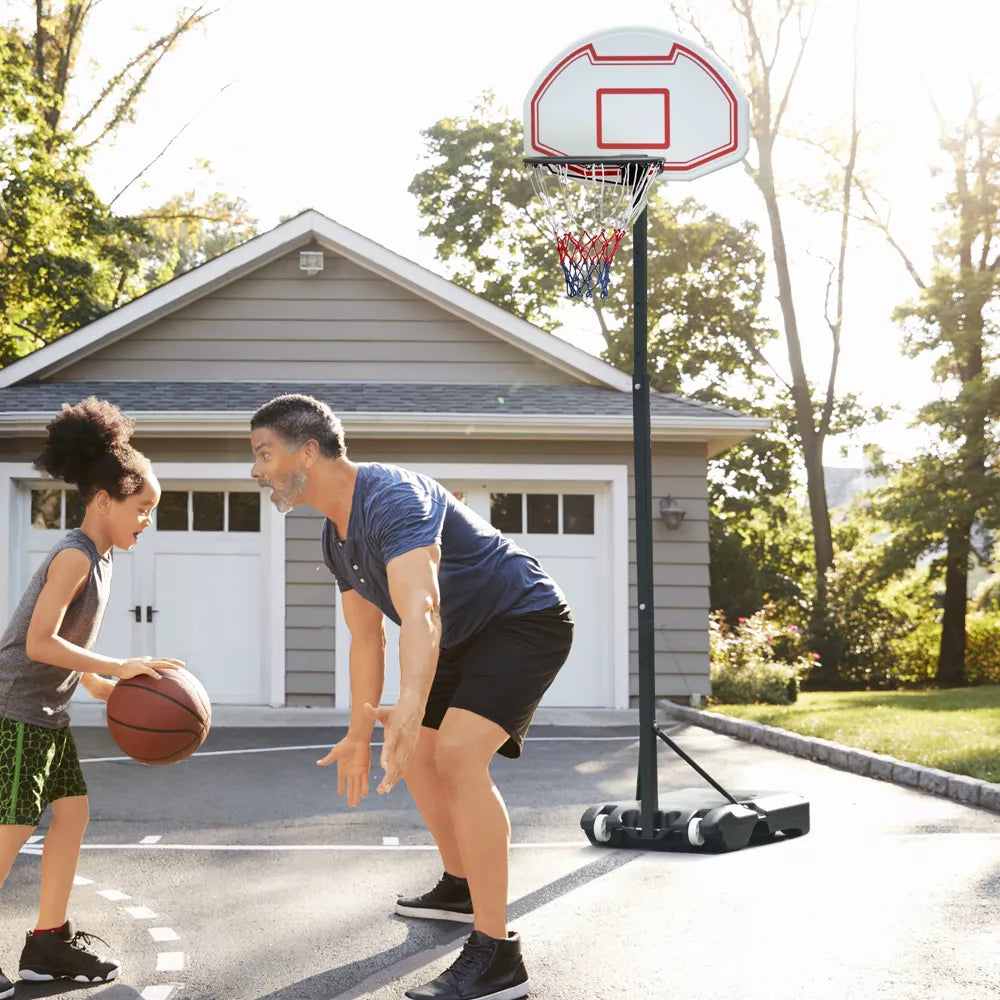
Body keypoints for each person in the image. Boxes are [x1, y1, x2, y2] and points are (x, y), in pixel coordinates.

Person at [250, 393, 573, 1000]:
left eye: (264, 453)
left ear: (309, 451)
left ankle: (499, 954)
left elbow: (421, 609)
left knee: (454, 756)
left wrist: (411, 704)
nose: (256, 469)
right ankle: (461, 883)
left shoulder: (394, 497)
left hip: (523, 618)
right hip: (459, 635)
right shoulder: (335, 537)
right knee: (419, 755)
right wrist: (357, 733)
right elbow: (366, 638)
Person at [0, 398, 182, 996]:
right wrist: (114, 663)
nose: (146, 521)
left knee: (71, 817)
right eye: (142, 508)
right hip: (15, 712)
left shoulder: (101, 562)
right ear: (104, 499)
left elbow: (70, 659)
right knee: (11, 830)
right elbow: (37, 642)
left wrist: (114, 683)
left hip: (47, 714)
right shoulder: (75, 554)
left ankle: (47, 943)